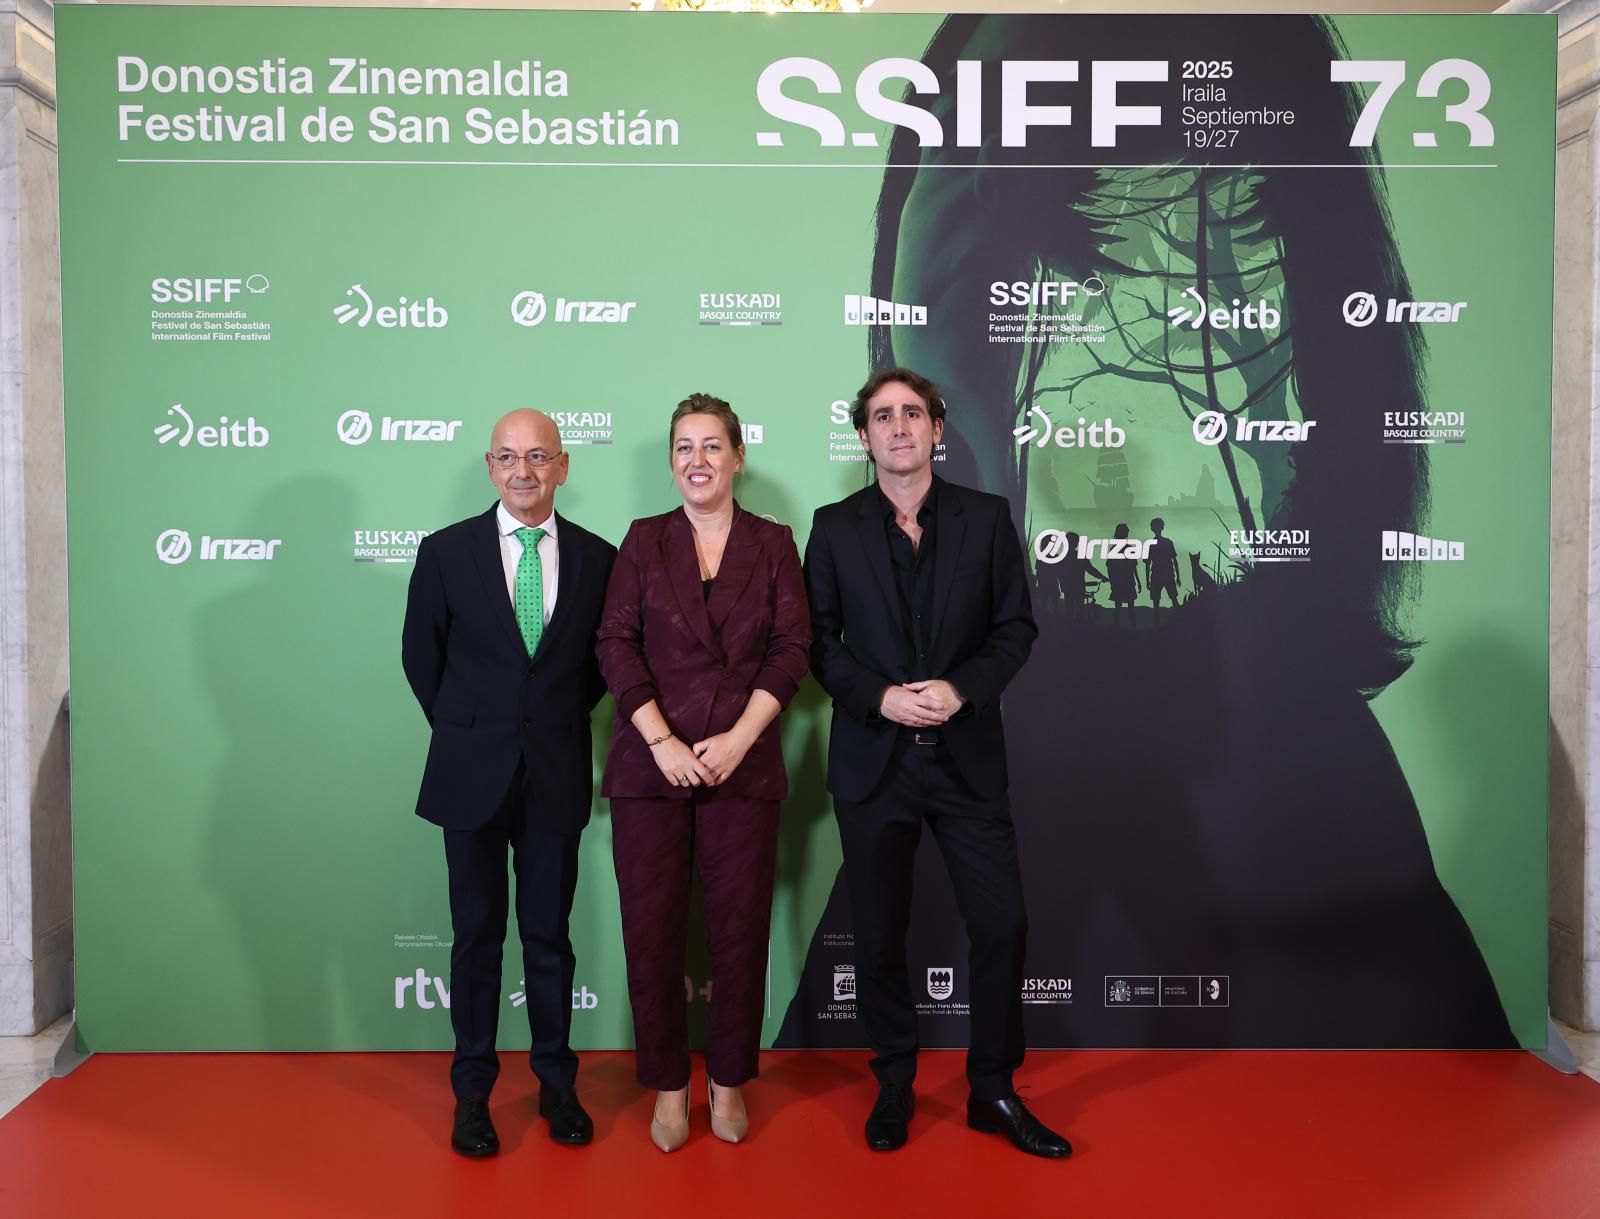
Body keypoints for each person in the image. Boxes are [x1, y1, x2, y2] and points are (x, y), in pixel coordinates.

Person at [804, 367, 1070, 1158]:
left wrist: (961, 688)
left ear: (936, 428)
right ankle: (894, 1081)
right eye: (882, 416)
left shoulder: (986, 519)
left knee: (1002, 921)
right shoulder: (833, 527)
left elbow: (1015, 628)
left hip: (966, 760)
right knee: (879, 933)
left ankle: (993, 1087)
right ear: (864, 436)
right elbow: (817, 642)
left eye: (912, 413)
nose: (898, 427)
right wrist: (880, 696)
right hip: (874, 760)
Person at [597, 393, 810, 1152]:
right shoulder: (642, 539)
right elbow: (614, 642)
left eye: (712, 445)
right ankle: (667, 1085)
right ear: (671, 461)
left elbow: (792, 647)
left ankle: (727, 1080)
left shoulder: (774, 542)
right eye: (684, 447)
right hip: (650, 765)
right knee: (651, 931)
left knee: (739, 932)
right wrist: (661, 741)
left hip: (741, 765)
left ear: (738, 457)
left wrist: (740, 738)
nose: (698, 460)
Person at [401, 409, 617, 1157]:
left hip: (555, 770)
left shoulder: (598, 558)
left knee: (549, 937)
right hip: (470, 773)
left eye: (538, 456)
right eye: (508, 457)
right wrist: (472, 726)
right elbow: (421, 658)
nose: (523, 470)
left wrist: (545, 722)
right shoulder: (445, 552)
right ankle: (472, 1095)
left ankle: (557, 1084)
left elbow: (597, 670)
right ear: (490, 466)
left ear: (563, 466)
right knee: (476, 938)